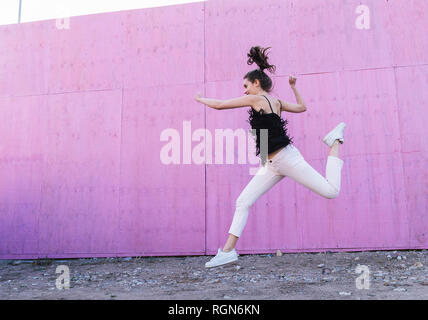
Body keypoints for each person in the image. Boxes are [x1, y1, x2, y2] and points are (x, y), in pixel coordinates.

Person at [195, 46, 346, 268]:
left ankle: (335, 140)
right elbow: (302, 107)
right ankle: (227, 251)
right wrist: (293, 87)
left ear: (257, 83)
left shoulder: (257, 100)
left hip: (287, 158)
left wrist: (200, 99)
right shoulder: (276, 102)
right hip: (272, 164)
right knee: (243, 201)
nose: (244, 91)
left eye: (246, 86)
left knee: (331, 191)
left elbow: (219, 105)